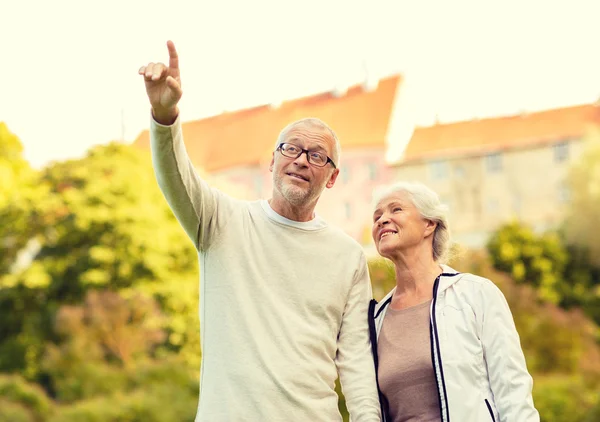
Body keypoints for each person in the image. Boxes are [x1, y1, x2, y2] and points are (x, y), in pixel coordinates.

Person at [138, 40, 381, 422]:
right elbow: (176, 178)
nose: (301, 160)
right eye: (291, 149)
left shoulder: (348, 256)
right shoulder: (221, 222)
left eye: (317, 155)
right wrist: (164, 114)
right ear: (272, 161)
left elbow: (356, 359)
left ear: (332, 178)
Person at [367, 181, 539, 422]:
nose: (382, 219)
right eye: (377, 215)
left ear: (429, 224)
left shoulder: (476, 294)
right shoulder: (376, 319)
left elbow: (513, 390)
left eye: (396, 210)